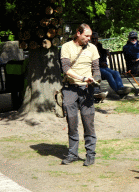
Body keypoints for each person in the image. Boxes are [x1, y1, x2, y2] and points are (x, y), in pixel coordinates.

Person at [60, 23, 100, 166]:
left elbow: (96, 69)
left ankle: (90, 154)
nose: (89, 38)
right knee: (72, 123)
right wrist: (82, 78)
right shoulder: (66, 47)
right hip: (70, 89)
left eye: (90, 36)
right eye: (86, 36)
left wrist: (96, 80)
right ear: (78, 33)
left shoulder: (93, 48)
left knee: (88, 123)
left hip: (87, 90)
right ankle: (72, 154)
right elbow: (66, 68)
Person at [91, 32, 131, 98]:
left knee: (116, 72)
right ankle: (117, 90)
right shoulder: (89, 47)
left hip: (103, 67)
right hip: (96, 69)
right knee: (108, 74)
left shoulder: (99, 45)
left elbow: (103, 52)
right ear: (90, 39)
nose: (95, 40)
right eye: (93, 39)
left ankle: (121, 88)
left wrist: (106, 51)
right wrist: (101, 63)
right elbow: (91, 61)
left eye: (96, 39)